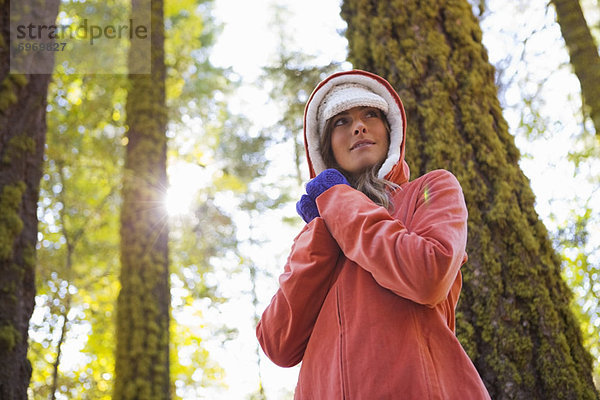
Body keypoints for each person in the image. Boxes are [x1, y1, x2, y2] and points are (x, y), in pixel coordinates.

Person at [256, 70, 491, 399]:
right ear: (326, 148)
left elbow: (429, 274)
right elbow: (278, 343)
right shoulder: (317, 231)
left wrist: (339, 201)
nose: (359, 126)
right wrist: (320, 230)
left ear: (390, 129)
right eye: (341, 121)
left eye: (371, 114)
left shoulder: (432, 188)